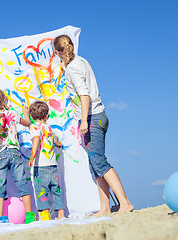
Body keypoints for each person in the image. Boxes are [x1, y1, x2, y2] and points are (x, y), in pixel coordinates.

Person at [53, 35, 134, 215]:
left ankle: (125, 202)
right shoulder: (80, 61)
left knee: (99, 162)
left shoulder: (72, 68)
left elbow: (84, 94)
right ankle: (105, 208)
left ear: (58, 52)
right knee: (95, 165)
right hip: (99, 116)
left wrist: (83, 121)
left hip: (92, 118)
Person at [0, 88, 32, 222]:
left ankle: (0, 219)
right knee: (22, 184)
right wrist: (26, 112)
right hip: (15, 152)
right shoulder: (13, 114)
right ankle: (30, 216)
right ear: (4, 100)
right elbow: (28, 123)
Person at [28, 101, 65, 220]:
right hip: (53, 166)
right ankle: (61, 215)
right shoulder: (48, 128)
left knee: (41, 192)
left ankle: (45, 216)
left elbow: (36, 138)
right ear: (47, 115)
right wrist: (59, 144)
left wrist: (32, 155)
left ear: (32, 117)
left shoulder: (34, 127)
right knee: (56, 190)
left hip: (41, 167)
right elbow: (56, 140)